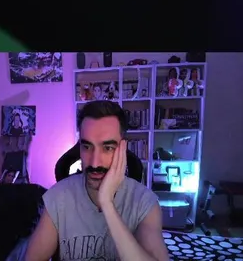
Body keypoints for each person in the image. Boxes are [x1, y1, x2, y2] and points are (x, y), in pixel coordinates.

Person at [22, 101, 168, 261]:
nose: (95, 162)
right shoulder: (58, 197)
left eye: (108, 148)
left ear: (123, 148)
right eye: (87, 147)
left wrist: (107, 203)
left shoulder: (145, 203)